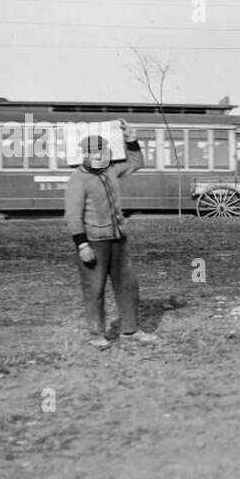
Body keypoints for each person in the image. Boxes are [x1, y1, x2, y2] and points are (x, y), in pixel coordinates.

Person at [64, 121, 157, 349]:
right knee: (94, 289)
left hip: (118, 240)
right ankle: (97, 334)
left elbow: (136, 162)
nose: (99, 156)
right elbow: (73, 216)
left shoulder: (112, 171)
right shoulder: (78, 180)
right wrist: (82, 245)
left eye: (102, 152)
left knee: (128, 285)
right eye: (93, 153)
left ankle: (130, 330)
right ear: (84, 155)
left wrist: (131, 139)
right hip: (94, 243)